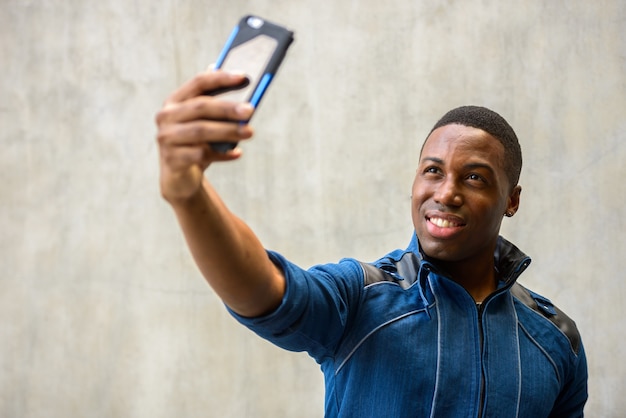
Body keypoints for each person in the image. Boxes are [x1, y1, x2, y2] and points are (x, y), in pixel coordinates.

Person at [155, 70, 588, 417]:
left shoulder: (557, 340)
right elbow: (264, 288)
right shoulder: (362, 297)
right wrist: (188, 193)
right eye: (433, 171)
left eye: (474, 177)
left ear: (511, 200)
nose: (446, 192)